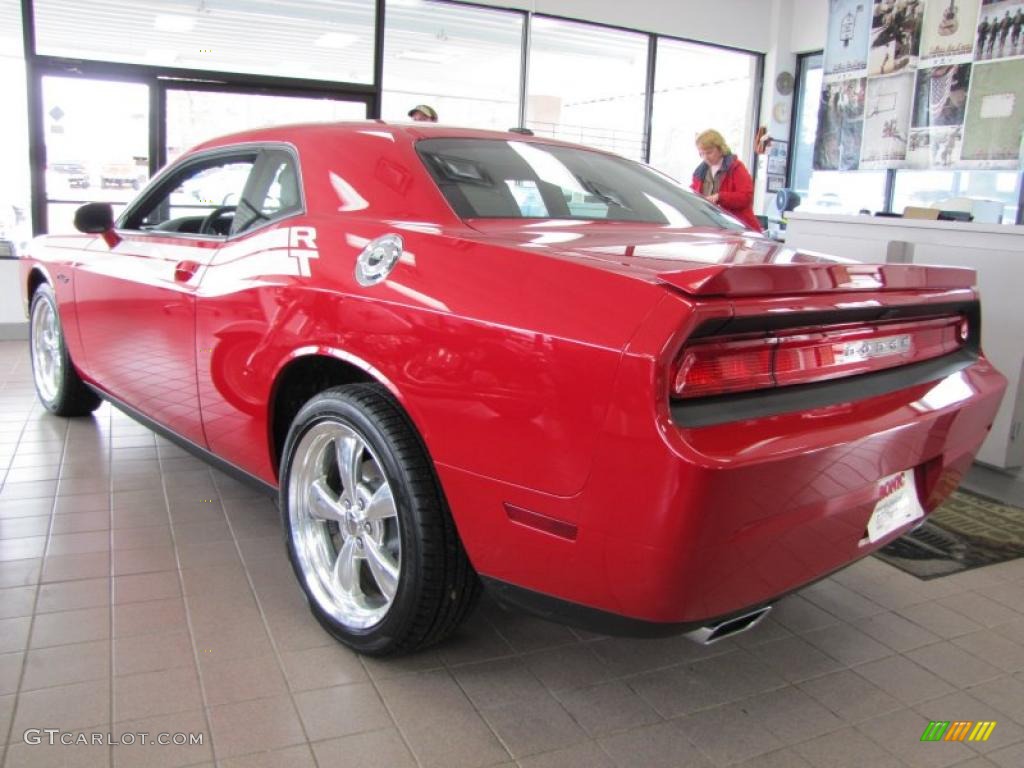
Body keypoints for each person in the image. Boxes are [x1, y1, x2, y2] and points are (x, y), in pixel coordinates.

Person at [690, 129, 762, 232]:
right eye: (701, 154)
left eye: (709, 152)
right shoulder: (699, 173)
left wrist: (720, 197)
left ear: (720, 149)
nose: (705, 157)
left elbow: (746, 197)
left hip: (740, 229)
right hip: (713, 229)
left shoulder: (736, 168)